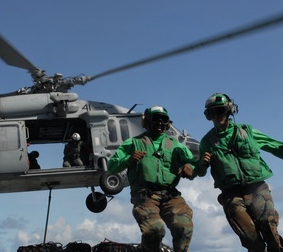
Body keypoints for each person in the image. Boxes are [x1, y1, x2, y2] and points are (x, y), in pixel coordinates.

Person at [197, 93, 283, 252]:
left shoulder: (247, 132)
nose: (217, 116)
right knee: (251, 240)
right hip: (231, 194)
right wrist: (202, 164)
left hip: (256, 187)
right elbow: (200, 172)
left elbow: (275, 146)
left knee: (269, 228)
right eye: (211, 113)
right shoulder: (206, 142)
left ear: (230, 110)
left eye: (220, 111)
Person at [108, 106, 196, 252]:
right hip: (144, 195)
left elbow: (192, 163)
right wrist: (128, 160)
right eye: (156, 119)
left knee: (184, 227)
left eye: (164, 120)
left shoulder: (175, 145)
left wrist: (188, 166)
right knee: (155, 229)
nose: (160, 123)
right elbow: (112, 167)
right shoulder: (133, 143)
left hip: (170, 195)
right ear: (147, 122)